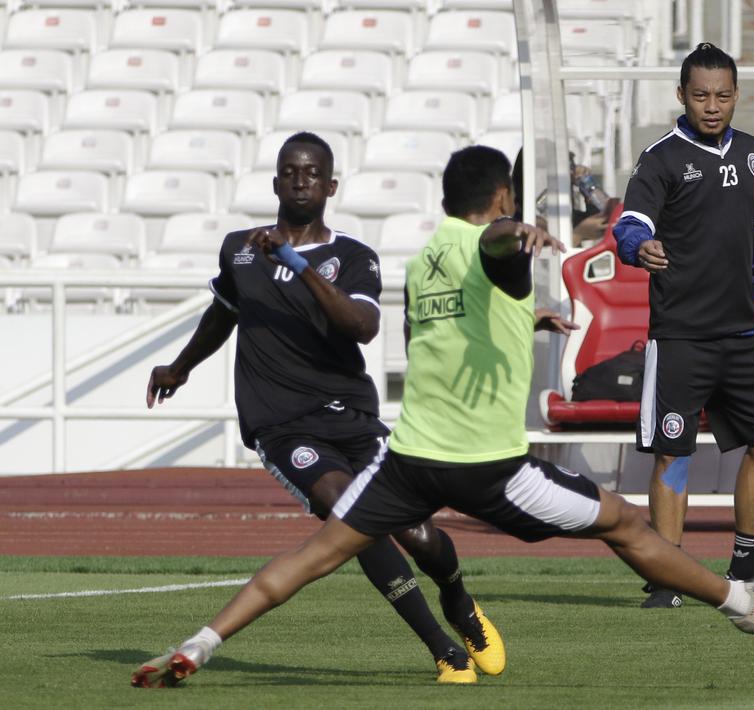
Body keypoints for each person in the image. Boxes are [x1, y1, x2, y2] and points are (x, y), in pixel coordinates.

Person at [131, 145, 754, 688]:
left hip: (407, 462)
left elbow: (467, 304)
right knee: (624, 525)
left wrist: (525, 311)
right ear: (500, 200)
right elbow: (493, 253)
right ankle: (739, 603)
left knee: (314, 556)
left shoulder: (427, 257)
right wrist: (517, 235)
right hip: (487, 469)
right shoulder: (492, 247)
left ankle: (199, 644)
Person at [135, 132, 502, 686]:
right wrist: (180, 367)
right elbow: (223, 313)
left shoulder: (353, 257)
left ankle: (458, 599)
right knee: (349, 511)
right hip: (281, 426)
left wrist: (294, 263)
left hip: (352, 417)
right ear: (277, 181)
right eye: (290, 171)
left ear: (331, 186)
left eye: (312, 173)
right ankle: (441, 647)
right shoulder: (240, 248)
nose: (300, 180)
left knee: (418, 533)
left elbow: (362, 327)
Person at [612, 42, 754, 608]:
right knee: (675, 453)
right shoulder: (661, 158)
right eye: (700, 95)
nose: (712, 105)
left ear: (737, 95)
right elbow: (630, 223)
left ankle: (746, 563)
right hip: (681, 338)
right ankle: (669, 577)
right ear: (681, 96)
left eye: (722, 95)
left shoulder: (751, 153)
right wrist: (637, 246)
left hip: (742, 336)